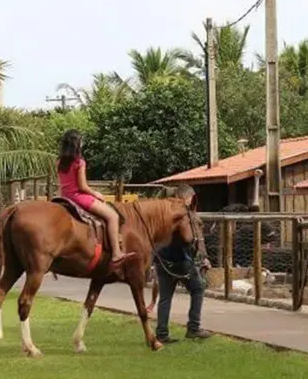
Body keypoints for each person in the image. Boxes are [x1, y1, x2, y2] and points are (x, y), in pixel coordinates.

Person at [57, 129, 135, 270]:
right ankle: (116, 253)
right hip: (78, 197)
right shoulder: (79, 162)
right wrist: (96, 193)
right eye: (81, 141)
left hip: (65, 197)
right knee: (113, 216)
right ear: (76, 144)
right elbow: (82, 186)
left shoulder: (59, 162)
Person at [154, 185, 212, 344]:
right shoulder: (184, 214)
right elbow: (189, 240)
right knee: (198, 289)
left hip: (162, 260)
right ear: (189, 197)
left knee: (165, 297)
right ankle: (193, 327)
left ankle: (161, 333)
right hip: (181, 260)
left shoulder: (163, 211)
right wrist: (201, 258)